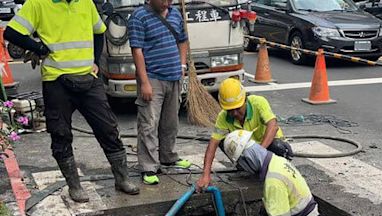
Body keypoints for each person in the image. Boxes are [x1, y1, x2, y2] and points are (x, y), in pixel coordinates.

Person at [5, 0, 139, 203]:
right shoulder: (37, 4)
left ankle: (122, 179)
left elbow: (99, 31)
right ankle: (74, 186)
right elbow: (12, 33)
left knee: (108, 128)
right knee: (60, 133)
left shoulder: (85, 2)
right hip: (56, 80)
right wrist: (39, 48)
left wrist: (95, 60)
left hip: (88, 79)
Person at [128, 0, 191, 186]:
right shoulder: (139, 17)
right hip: (153, 78)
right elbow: (137, 51)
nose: (167, 2)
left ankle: (168, 157)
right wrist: (144, 82)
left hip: (174, 77)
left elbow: (182, 40)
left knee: (170, 122)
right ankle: (148, 167)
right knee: (149, 123)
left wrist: (182, 64)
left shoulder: (175, 13)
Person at [195, 78, 293, 191]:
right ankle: (248, 168)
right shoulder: (223, 117)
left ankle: (278, 173)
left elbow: (273, 126)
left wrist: (259, 153)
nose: (234, 113)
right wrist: (205, 175)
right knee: (224, 141)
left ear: (245, 100)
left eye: (237, 108)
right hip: (248, 150)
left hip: (268, 148)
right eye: (230, 110)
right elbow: (213, 144)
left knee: (279, 146)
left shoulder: (258, 102)